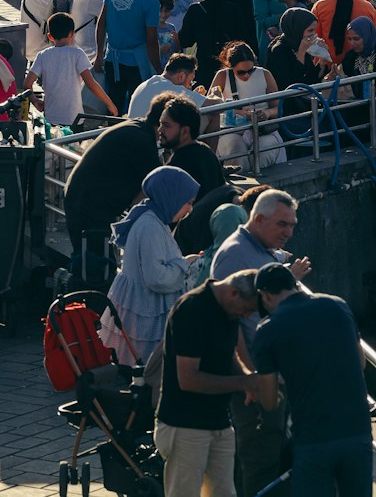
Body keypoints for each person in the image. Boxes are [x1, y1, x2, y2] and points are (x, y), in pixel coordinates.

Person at [211, 189, 312, 497]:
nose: (289, 233)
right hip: (257, 381)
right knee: (259, 459)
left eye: (292, 225)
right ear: (258, 219)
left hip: (273, 376)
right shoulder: (236, 255)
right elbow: (231, 325)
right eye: (283, 224)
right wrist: (251, 376)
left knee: (275, 453)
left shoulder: (260, 250)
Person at [254, 263, 372, 497]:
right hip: (357, 431)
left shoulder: (267, 329)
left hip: (313, 438)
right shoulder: (338, 305)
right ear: (295, 284)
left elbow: (268, 402)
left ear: (264, 295)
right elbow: (360, 362)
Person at [154, 271, 261, 497]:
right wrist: (243, 381)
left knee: (224, 493)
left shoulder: (229, 311)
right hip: (185, 424)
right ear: (233, 293)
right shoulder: (192, 310)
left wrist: (246, 377)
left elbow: (228, 353)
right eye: (249, 309)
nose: (248, 315)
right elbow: (189, 379)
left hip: (218, 421)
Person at [101, 165, 199, 364]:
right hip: (147, 307)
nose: (190, 209)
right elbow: (156, 278)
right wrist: (184, 264)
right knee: (147, 364)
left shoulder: (153, 219)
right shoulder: (150, 227)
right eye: (187, 203)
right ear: (171, 197)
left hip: (142, 303)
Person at [63, 97, 168, 282]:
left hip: (85, 198)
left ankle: (89, 303)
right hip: (89, 205)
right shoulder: (141, 140)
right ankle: (91, 306)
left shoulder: (136, 129)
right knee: (98, 270)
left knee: (95, 265)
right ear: (161, 123)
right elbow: (153, 188)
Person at [94, 0, 164, 113]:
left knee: (113, 107)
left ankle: (111, 135)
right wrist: (160, 70)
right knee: (137, 109)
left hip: (112, 59)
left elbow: (101, 23)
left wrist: (99, 55)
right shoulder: (151, 2)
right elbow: (151, 41)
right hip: (136, 64)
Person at [28, 12, 116, 125]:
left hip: (50, 118)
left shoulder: (43, 55)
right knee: (73, 143)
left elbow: (27, 84)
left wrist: (35, 101)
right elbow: (91, 84)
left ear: (50, 36)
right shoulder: (77, 54)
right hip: (74, 118)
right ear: (72, 34)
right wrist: (109, 103)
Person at [208, 42, 285, 169]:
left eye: (251, 70)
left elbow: (278, 108)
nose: (247, 75)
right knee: (235, 152)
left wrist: (266, 113)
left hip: (263, 130)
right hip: (231, 129)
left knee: (263, 153)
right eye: (241, 72)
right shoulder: (222, 76)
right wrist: (239, 112)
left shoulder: (265, 74)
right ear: (230, 66)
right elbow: (210, 108)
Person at [157, 95, 227, 198]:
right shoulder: (206, 151)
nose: (160, 130)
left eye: (166, 125)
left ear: (185, 131)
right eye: (160, 124)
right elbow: (222, 188)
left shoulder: (177, 166)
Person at [312, 0, 376, 63]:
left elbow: (313, 39)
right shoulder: (367, 7)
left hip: (325, 67)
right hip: (358, 69)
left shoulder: (319, 7)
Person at [128, 53, 207, 119]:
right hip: (151, 136)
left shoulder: (148, 84)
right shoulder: (173, 89)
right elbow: (214, 104)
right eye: (190, 81)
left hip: (134, 133)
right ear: (181, 76)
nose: (190, 86)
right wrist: (215, 94)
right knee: (212, 113)